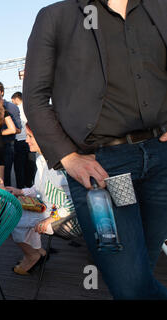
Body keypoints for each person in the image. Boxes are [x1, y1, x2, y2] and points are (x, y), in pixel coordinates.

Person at [24, 0, 167, 299]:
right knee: (129, 284)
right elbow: (35, 98)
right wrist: (68, 157)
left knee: (141, 273)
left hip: (160, 159)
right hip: (106, 169)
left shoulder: (159, 8)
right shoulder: (57, 17)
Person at [6, 125, 74, 275]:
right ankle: (37, 252)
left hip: (67, 219)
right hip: (47, 209)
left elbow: (75, 201)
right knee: (8, 209)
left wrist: (51, 219)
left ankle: (33, 255)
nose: (26, 141)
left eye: (30, 137)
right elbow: (38, 189)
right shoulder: (43, 159)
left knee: (10, 220)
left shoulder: (61, 165)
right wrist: (19, 191)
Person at [0, 81, 22, 187]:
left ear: (2, 92)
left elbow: (18, 129)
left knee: (5, 178)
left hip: (7, 145)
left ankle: (7, 201)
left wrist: (0, 132)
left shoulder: (11, 107)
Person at [11, 92, 35, 188]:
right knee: (30, 165)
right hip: (30, 139)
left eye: (13, 101)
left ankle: (21, 187)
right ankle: (30, 185)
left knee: (19, 166)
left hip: (19, 140)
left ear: (16, 99)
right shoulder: (29, 108)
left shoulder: (15, 110)